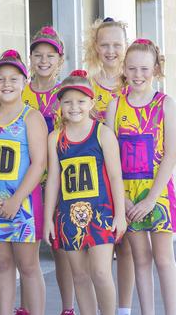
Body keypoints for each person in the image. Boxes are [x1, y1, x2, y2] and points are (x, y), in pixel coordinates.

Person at [105, 39, 176, 315]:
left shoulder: (165, 105)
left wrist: (151, 199)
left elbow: (172, 154)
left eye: (145, 69)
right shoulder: (115, 106)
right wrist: (122, 199)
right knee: (140, 259)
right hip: (127, 195)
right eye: (133, 68)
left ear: (156, 69)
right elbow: (109, 156)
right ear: (124, 68)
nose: (138, 75)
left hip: (157, 193)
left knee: (163, 258)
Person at [43, 70, 127, 315]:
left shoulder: (102, 133)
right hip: (68, 216)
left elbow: (115, 177)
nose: (74, 107)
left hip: (100, 214)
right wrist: (49, 219)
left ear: (91, 102)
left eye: (80, 101)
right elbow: (53, 181)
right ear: (60, 105)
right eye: (67, 101)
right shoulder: (55, 138)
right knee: (79, 275)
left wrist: (120, 214)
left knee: (100, 272)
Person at [0, 50, 47, 315]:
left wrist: (17, 200)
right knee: (3, 263)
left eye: (13, 79)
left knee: (27, 265)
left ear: (24, 83)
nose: (7, 84)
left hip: (22, 203)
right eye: (1, 79)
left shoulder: (31, 117)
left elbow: (39, 163)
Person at [84, 17, 135, 315]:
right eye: (105, 44)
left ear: (125, 46)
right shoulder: (87, 87)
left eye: (117, 44)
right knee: (97, 251)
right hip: (96, 180)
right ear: (96, 47)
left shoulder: (135, 82)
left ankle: (124, 308)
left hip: (128, 174)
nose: (111, 50)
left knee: (125, 246)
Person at [22, 26, 75, 315]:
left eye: (50, 56)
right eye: (38, 55)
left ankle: (67, 308)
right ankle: (26, 307)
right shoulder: (20, 91)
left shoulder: (66, 94)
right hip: (26, 181)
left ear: (60, 60)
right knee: (24, 246)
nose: (43, 60)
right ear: (30, 58)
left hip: (60, 181)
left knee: (60, 247)